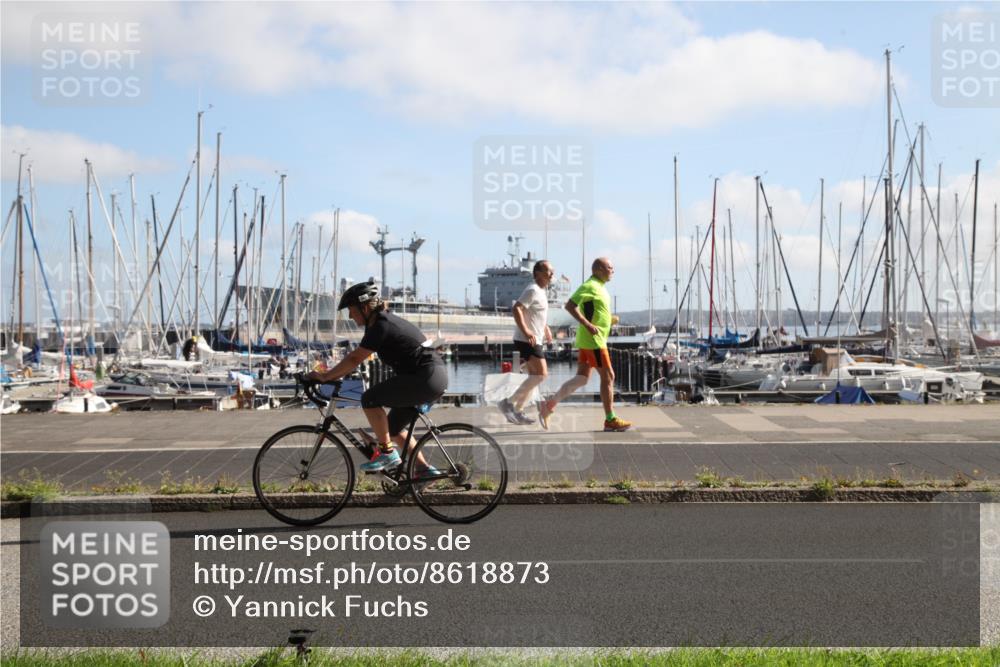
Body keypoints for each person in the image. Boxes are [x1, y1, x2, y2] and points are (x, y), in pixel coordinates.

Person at [305, 280, 448, 472]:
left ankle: (387, 453)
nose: (350, 315)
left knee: (370, 399)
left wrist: (325, 377)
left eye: (351, 310)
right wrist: (332, 375)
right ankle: (424, 470)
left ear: (365, 308)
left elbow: (355, 358)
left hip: (426, 377)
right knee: (392, 429)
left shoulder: (382, 325)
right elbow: (355, 359)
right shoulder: (380, 322)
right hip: (430, 377)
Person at [538, 257, 632, 432]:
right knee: (609, 376)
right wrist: (588, 325)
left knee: (582, 378)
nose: (613, 270)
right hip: (594, 341)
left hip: (589, 340)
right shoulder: (590, 286)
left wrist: (609, 320)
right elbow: (570, 305)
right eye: (610, 267)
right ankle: (610, 420)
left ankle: (549, 405)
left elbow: (594, 312)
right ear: (599, 270)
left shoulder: (600, 287)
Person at [498, 260, 553, 425]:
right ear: (537, 273)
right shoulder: (533, 289)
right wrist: (527, 331)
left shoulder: (541, 291)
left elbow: (535, 314)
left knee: (534, 377)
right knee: (541, 374)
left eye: (552, 271)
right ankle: (507, 403)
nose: (552, 274)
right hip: (527, 339)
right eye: (548, 271)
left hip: (534, 338)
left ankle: (518, 410)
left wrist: (546, 328)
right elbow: (517, 308)